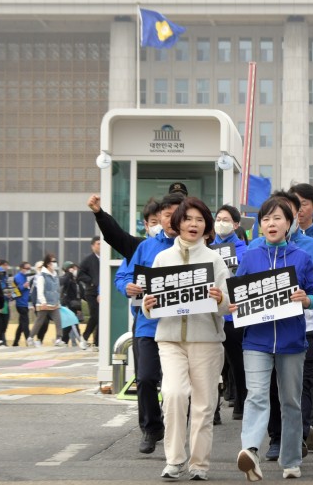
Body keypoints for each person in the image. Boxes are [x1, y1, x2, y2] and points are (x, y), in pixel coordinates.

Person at [234, 196, 313, 481]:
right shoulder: (250, 255)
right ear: (260, 225)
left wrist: (306, 299)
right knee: (257, 396)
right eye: (266, 219)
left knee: (290, 401)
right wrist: (235, 305)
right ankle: (250, 450)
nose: (271, 224)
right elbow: (237, 293)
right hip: (256, 341)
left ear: (289, 223)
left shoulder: (302, 257)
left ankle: (291, 459)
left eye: (277, 218)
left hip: (292, 341)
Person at [142, 196, 230, 481]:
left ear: (206, 227)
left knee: (204, 405)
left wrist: (219, 299)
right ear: (177, 223)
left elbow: (229, 305)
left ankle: (199, 465)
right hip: (170, 339)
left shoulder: (214, 260)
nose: (193, 224)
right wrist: (149, 303)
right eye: (188, 218)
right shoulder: (162, 258)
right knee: (174, 394)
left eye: (200, 219)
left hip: (206, 340)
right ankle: (174, 459)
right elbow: (150, 302)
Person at [116, 193, 183, 454]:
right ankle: (151, 427)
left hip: (181, 327)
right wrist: (127, 286)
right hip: (148, 325)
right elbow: (123, 276)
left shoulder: (194, 247)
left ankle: (176, 430)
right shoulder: (145, 247)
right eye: (166, 216)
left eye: (176, 215)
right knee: (145, 378)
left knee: (176, 386)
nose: (171, 220)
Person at [213, 204, 248, 421]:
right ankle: (213, 410)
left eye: (226, 219)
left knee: (237, 363)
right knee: (212, 364)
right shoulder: (207, 248)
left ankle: (241, 403)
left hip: (235, 315)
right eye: (218, 218)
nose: (221, 223)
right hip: (212, 315)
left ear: (236, 224)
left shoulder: (245, 250)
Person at [26, 254, 64, 347]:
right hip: (44, 303)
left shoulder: (55, 275)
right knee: (40, 321)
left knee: (58, 320)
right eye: (53, 261)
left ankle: (59, 339)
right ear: (48, 264)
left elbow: (57, 289)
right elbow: (40, 290)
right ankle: (30, 338)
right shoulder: (41, 276)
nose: (55, 263)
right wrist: (43, 302)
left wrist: (58, 301)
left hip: (54, 303)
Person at [77, 236, 101, 347]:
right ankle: (84, 337)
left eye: (102, 244)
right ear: (93, 246)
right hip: (92, 292)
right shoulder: (88, 259)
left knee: (102, 317)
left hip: (104, 292)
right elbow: (80, 275)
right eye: (98, 244)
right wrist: (91, 282)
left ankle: (97, 342)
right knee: (95, 315)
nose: (100, 246)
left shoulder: (105, 259)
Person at [12, 261, 32, 346]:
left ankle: (15, 342)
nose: (28, 270)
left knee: (21, 324)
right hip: (20, 304)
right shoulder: (16, 278)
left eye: (29, 268)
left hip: (27, 303)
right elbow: (14, 292)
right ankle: (29, 340)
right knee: (25, 322)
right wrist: (23, 287)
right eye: (26, 268)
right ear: (21, 268)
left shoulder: (30, 277)